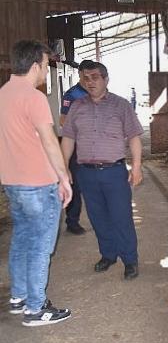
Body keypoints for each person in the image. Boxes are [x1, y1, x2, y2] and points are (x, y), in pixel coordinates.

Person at [0, 40, 73, 326]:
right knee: (41, 245)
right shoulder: (34, 98)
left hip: (12, 183)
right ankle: (36, 307)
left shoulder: (3, 94)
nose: (45, 72)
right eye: (44, 66)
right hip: (38, 184)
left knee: (22, 239)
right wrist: (63, 178)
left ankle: (18, 296)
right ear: (33, 66)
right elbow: (49, 142)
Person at [61, 61, 144, 280]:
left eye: (95, 77)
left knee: (121, 217)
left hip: (114, 172)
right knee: (97, 217)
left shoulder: (121, 105)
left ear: (106, 79)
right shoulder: (77, 107)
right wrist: (64, 167)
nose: (90, 82)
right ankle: (108, 255)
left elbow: (134, 137)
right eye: (85, 78)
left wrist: (136, 167)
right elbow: (68, 138)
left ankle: (130, 260)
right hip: (86, 172)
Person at [58, 59, 94, 235]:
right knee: (76, 185)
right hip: (77, 146)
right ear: (79, 74)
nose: (89, 79)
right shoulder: (72, 94)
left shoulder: (98, 91)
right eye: (85, 75)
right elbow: (63, 120)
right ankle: (72, 222)